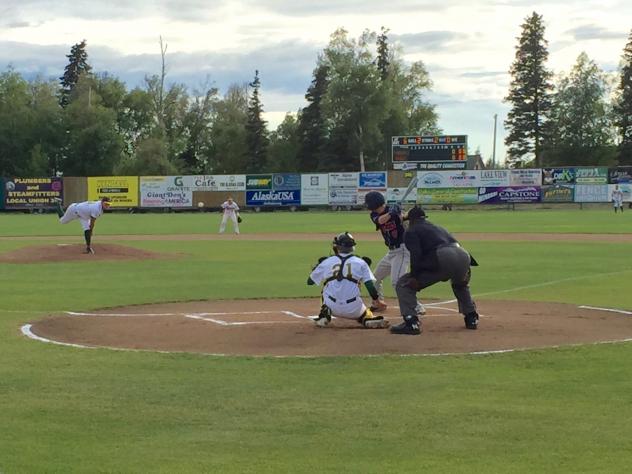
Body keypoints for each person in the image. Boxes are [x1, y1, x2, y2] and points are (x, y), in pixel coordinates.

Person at [391, 206, 479, 335]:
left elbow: (416, 255)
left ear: (411, 220)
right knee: (460, 285)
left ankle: (411, 323)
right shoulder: (438, 228)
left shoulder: (411, 231)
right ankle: (471, 318)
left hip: (443, 256)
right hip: (464, 256)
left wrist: (414, 277)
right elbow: (456, 245)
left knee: (403, 285)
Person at [308, 232, 389, 329]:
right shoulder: (361, 262)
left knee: (326, 286)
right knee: (366, 312)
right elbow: (370, 286)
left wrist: (318, 267)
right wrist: (376, 301)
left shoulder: (327, 261)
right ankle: (367, 318)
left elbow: (310, 282)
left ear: (337, 246)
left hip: (332, 306)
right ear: (352, 246)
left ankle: (325, 314)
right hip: (353, 308)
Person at [363, 191, 425, 316]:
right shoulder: (374, 214)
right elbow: (380, 221)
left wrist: (399, 212)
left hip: (402, 250)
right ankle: (378, 303)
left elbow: (404, 218)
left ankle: (416, 306)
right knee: (375, 278)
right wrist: (391, 213)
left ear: (373, 204)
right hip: (391, 252)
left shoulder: (394, 210)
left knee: (397, 281)